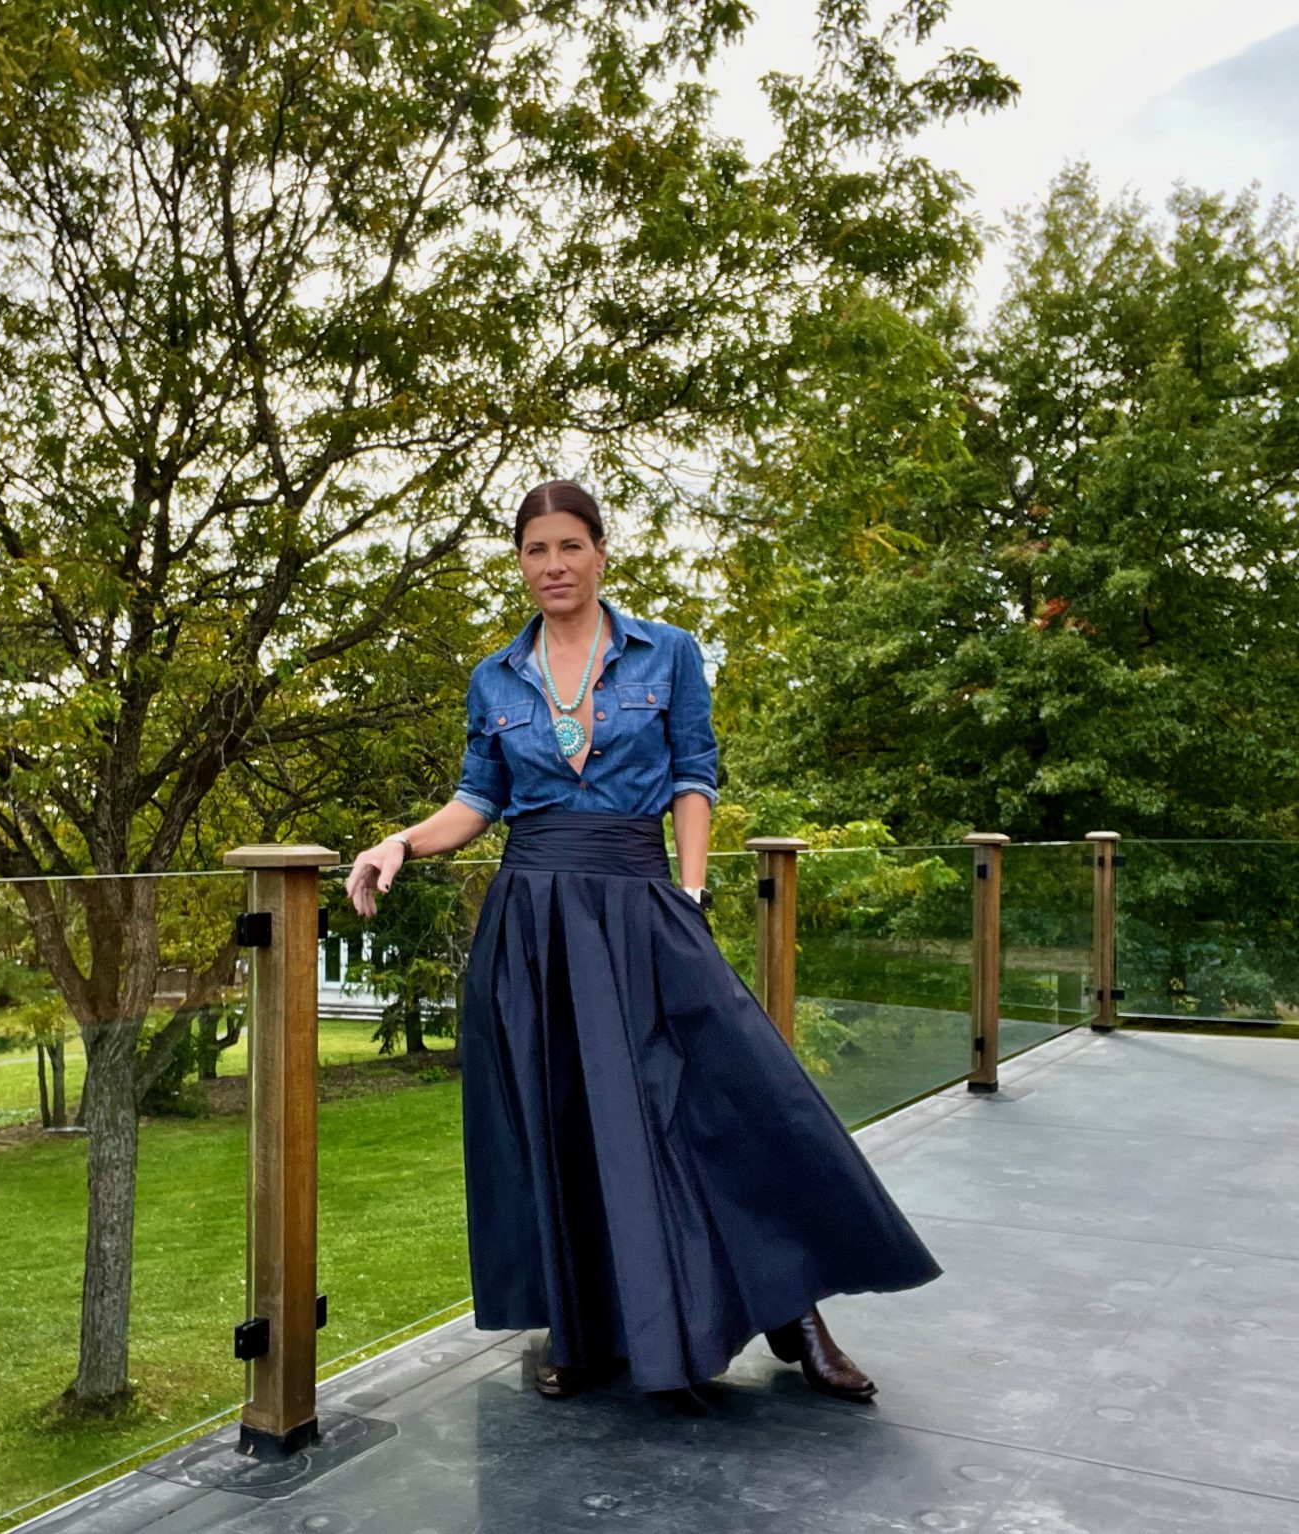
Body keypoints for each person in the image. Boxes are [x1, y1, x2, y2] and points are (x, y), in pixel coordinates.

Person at [343, 479, 943, 1413]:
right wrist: (399, 843)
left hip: (642, 900)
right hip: (534, 921)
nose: (554, 565)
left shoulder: (668, 653)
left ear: (599, 551)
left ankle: (796, 1316)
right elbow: (478, 799)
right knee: (565, 1126)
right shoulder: (496, 677)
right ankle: (580, 1330)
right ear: (520, 562)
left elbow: (694, 777)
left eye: (569, 546)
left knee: (729, 1099)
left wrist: (690, 892)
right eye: (536, 549)